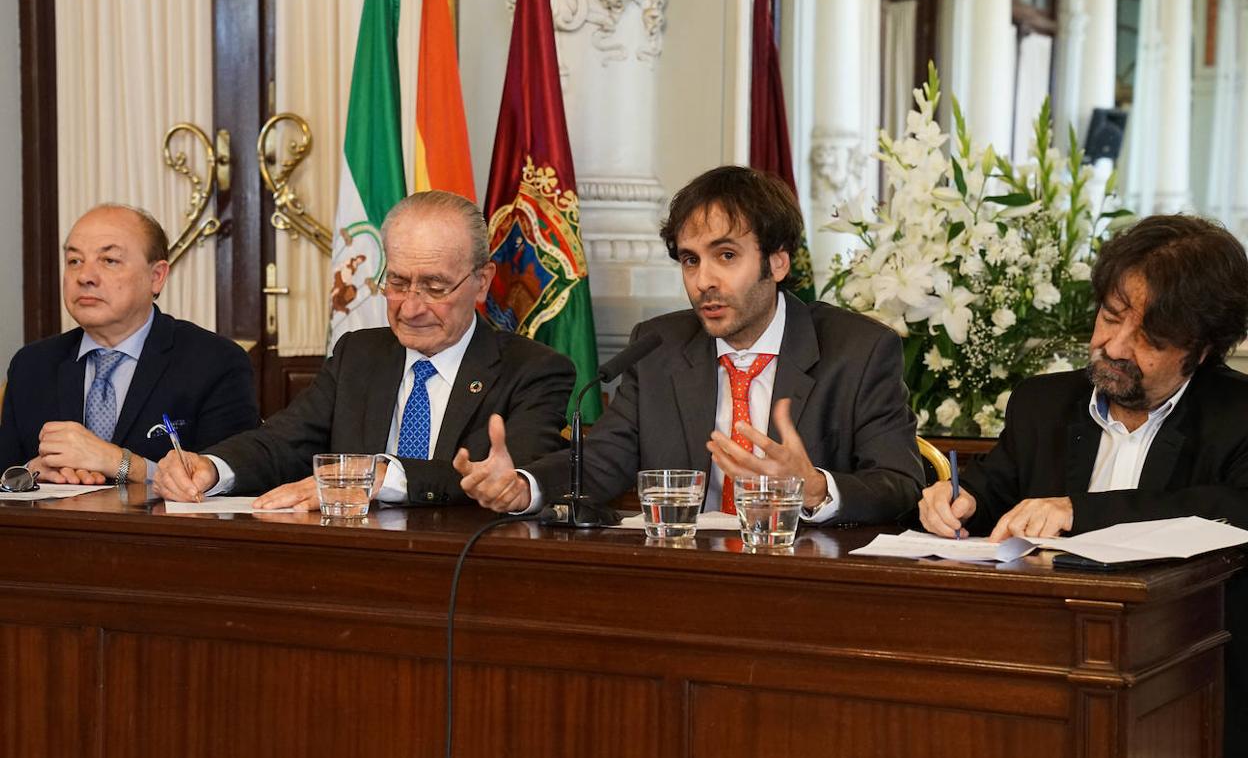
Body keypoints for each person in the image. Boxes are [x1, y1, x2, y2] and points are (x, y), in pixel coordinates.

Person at [914, 214, 1248, 752]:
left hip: (1186, 688)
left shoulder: (1237, 416)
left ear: (1201, 350)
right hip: (1038, 669)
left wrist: (1080, 512)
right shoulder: (1043, 403)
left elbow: (1230, 510)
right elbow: (991, 491)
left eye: (1147, 338)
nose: (1113, 346)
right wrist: (957, 500)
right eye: (1110, 317)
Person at [455, 165, 924, 522]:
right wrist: (523, 486)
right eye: (690, 261)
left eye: (726, 256)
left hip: (808, 588)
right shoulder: (658, 346)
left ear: (777, 264)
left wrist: (815, 488)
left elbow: (900, 485)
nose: (704, 281)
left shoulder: (859, 351)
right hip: (684, 578)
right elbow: (601, 461)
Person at [152, 190, 576, 508]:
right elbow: (283, 442)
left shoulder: (534, 370)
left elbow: (511, 479)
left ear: (481, 281)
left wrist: (379, 475)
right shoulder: (359, 353)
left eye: (434, 287)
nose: (410, 307)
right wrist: (212, 468)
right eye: (397, 282)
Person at [0, 204, 258, 484]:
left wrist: (119, 463)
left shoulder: (214, 362)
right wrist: (29, 472)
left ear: (156, 276)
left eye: (109, 260)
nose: (85, 276)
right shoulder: (31, 365)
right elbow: (6, 477)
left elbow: (229, 486)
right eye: (74, 261)